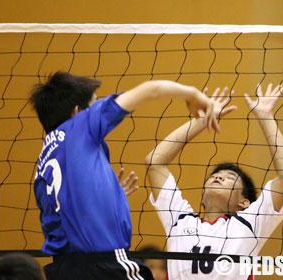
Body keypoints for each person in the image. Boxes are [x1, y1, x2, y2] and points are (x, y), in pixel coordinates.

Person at [29, 72, 220, 280]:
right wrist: (192, 94)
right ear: (77, 111)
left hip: (63, 271)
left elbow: (64, 212)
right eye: (95, 102)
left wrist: (109, 197)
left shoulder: (43, 162)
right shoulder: (81, 125)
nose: (99, 105)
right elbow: (151, 89)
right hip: (105, 266)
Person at [145, 84, 283, 279]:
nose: (218, 177)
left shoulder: (250, 223)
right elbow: (155, 162)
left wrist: (265, 115)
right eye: (215, 176)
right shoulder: (180, 220)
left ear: (243, 203)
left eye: (230, 178)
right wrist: (201, 121)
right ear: (202, 197)